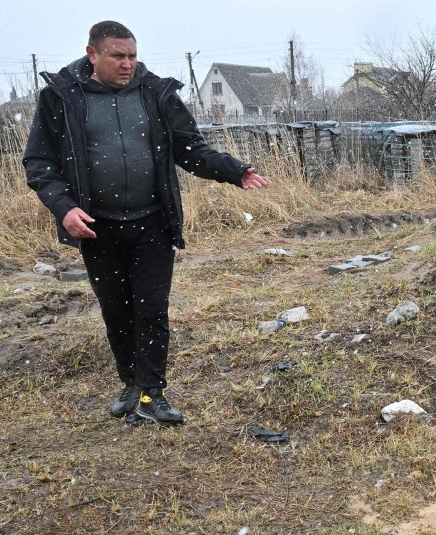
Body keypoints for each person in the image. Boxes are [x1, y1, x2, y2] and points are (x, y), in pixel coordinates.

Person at [23, 21, 267, 426]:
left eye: (132, 55)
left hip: (152, 222)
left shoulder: (156, 94)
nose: (128, 64)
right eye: (118, 56)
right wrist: (64, 208)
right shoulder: (62, 98)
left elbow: (190, 147)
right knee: (117, 311)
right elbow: (39, 162)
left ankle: (153, 394)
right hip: (96, 226)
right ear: (92, 55)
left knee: (151, 309)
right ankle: (131, 385)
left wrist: (234, 170)